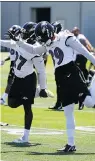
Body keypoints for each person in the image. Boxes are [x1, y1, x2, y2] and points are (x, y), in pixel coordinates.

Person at [15, 21, 95, 152]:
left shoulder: (66, 38)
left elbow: (85, 52)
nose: (43, 42)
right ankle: (71, 144)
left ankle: (93, 78)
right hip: (60, 77)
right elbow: (34, 50)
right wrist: (19, 42)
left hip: (71, 73)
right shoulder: (49, 43)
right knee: (68, 111)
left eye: (43, 38)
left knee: (90, 103)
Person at [0, 22, 53, 144]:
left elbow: (41, 71)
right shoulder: (21, 42)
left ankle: (25, 137)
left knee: (27, 108)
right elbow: (6, 43)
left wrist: (43, 87)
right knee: (12, 103)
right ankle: (35, 93)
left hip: (28, 80)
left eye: (25, 31)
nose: (22, 33)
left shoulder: (35, 49)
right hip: (17, 78)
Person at [72, 27, 95, 109]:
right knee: (81, 74)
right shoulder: (79, 36)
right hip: (80, 57)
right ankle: (89, 75)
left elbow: (86, 44)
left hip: (81, 57)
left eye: (74, 31)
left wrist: (90, 50)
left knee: (79, 75)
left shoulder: (80, 37)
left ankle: (89, 76)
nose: (73, 32)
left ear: (77, 31)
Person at [0, 25, 21, 105]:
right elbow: (12, 54)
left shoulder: (16, 42)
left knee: (11, 82)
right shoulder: (15, 42)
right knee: (12, 82)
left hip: (17, 64)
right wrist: (5, 60)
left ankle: (4, 99)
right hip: (14, 63)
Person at [49, 21, 63, 110]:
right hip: (58, 67)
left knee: (63, 87)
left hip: (64, 67)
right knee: (59, 86)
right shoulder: (53, 39)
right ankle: (59, 103)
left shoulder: (61, 37)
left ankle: (62, 104)